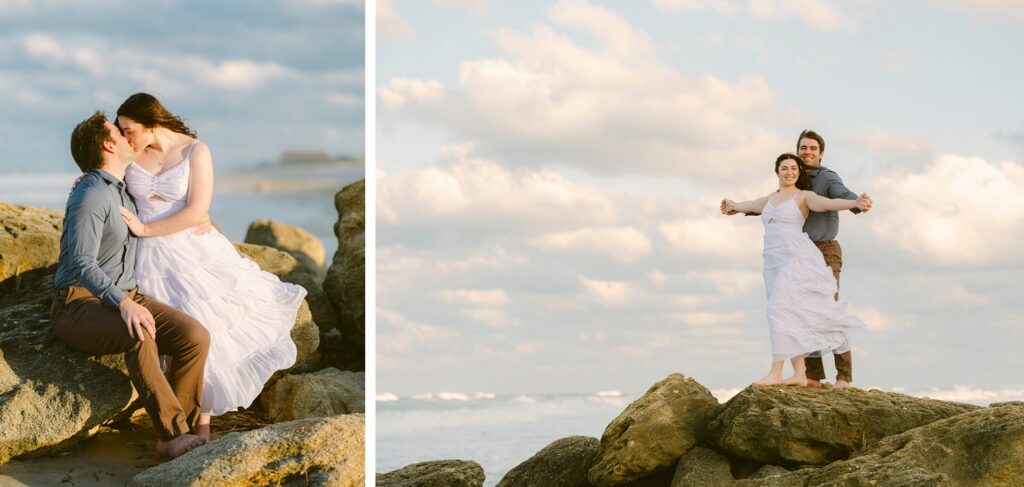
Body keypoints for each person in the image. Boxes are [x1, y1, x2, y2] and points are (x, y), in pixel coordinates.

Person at [114, 92, 307, 439]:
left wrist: (146, 229)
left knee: (208, 327)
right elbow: (108, 178)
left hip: (189, 249)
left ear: (151, 124)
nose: (125, 136)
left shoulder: (195, 151)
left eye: (130, 130)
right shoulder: (130, 152)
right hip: (145, 256)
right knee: (164, 336)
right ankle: (172, 423)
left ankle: (202, 423)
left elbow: (196, 209)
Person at [53, 111, 209, 457]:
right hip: (78, 304)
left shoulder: (123, 191)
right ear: (108, 146)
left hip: (126, 294)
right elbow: (80, 262)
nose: (128, 138)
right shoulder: (91, 194)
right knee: (138, 335)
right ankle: (172, 434)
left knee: (194, 337)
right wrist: (123, 304)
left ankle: (179, 430)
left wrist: (201, 213)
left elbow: (165, 207)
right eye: (119, 134)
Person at [721, 153, 869, 386]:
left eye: (793, 168)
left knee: (776, 310)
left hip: (796, 258)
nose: (789, 172)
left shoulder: (804, 196)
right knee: (790, 314)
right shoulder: (771, 198)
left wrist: (854, 203)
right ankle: (800, 373)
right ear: (777, 172)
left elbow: (828, 204)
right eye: (784, 168)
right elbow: (750, 205)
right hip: (772, 262)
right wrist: (733, 206)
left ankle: (776, 372)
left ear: (799, 173)